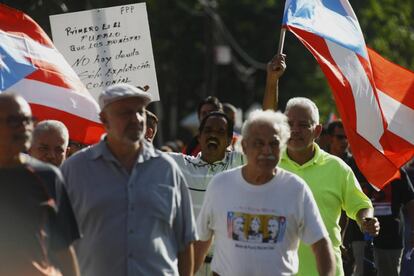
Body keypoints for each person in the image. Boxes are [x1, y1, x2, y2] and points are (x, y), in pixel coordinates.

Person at [61, 83, 197, 276]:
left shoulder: (167, 169)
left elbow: (185, 242)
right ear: (104, 119)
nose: (136, 119)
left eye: (140, 111)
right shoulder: (75, 170)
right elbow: (59, 244)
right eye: (125, 112)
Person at [264, 55, 380, 275]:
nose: (295, 130)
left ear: (317, 131)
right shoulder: (270, 164)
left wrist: (366, 220)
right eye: (289, 124)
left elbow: (361, 205)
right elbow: (266, 122)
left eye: (303, 125)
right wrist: (272, 81)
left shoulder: (337, 168)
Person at [194, 110, 335, 276]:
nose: (267, 150)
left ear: (282, 146)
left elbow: (321, 245)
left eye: (274, 144)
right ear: (244, 146)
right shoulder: (220, 185)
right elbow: (200, 243)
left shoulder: (296, 189)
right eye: (259, 143)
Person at [0, 94, 79, 276]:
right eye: (13, 121)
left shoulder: (47, 176)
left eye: (27, 120)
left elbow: (64, 249)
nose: (23, 127)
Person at [327, 121, 414, 276]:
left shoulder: (395, 169)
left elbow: (410, 202)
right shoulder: (352, 166)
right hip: (359, 238)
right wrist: (340, 239)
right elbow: (342, 205)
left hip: (391, 240)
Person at [169, 111, 245, 275]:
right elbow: (141, 155)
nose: (213, 135)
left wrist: (272, 84)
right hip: (188, 266)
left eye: (220, 132)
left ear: (229, 140)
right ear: (199, 136)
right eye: (208, 130)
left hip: (227, 268)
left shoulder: (241, 163)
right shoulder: (180, 165)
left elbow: (267, 128)